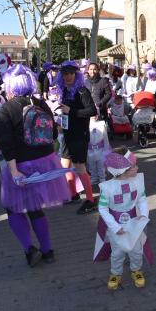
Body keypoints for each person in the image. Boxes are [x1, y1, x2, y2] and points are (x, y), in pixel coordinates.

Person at [0, 64, 73, 266]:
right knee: (35, 209)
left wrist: (13, 171)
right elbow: (54, 134)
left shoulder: (7, 108)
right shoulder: (40, 103)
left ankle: (29, 250)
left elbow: (6, 144)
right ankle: (48, 251)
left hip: (21, 165)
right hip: (45, 162)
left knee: (13, 209)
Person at [95, 147, 150, 290]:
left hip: (134, 223)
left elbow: (142, 200)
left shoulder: (137, 182)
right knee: (117, 252)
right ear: (122, 170)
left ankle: (136, 270)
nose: (137, 168)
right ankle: (116, 273)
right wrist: (115, 227)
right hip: (117, 225)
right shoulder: (108, 188)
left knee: (136, 250)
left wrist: (143, 215)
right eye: (133, 166)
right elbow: (103, 208)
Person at [58, 61, 98, 214]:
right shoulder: (65, 90)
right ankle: (73, 194)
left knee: (79, 167)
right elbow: (66, 112)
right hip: (68, 134)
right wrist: (61, 122)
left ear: (76, 75)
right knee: (64, 166)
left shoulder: (82, 91)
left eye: (71, 74)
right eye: (65, 74)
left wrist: (72, 111)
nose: (68, 77)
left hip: (80, 135)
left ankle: (90, 200)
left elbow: (92, 111)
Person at [87, 118, 111, 185]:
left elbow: (105, 137)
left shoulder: (101, 124)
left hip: (100, 149)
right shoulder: (85, 124)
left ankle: (102, 178)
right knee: (91, 165)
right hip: (90, 149)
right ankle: (94, 177)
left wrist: (106, 149)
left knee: (101, 165)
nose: (94, 116)